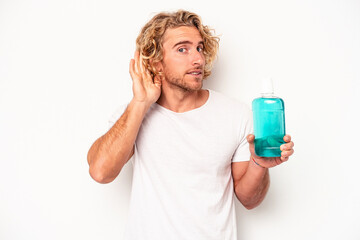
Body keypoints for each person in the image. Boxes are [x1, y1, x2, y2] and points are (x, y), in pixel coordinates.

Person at [87, 10, 294, 240]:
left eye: (200, 48)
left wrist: (259, 163)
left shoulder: (236, 114)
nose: (197, 58)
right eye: (182, 49)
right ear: (156, 62)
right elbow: (100, 172)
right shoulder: (134, 114)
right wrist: (140, 102)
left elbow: (250, 200)